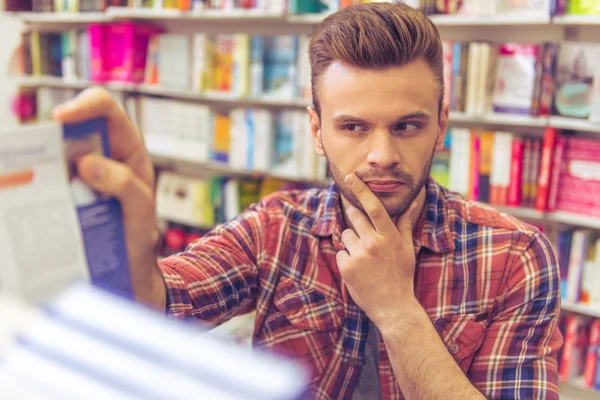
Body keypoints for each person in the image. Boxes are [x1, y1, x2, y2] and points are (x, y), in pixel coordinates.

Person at [52, 3, 562, 399]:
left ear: (441, 127)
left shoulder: (515, 255)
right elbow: (161, 308)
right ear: (317, 131)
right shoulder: (275, 227)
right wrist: (131, 246)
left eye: (407, 125)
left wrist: (396, 309)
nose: (382, 155)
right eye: (353, 127)